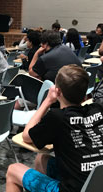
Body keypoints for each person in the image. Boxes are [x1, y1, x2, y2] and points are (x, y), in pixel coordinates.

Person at [6, 64, 103, 192]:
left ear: (57, 91)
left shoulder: (57, 117)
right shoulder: (97, 109)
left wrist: (47, 101)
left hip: (75, 189)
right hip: (97, 183)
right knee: (42, 159)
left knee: (13, 170)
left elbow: (26, 136)